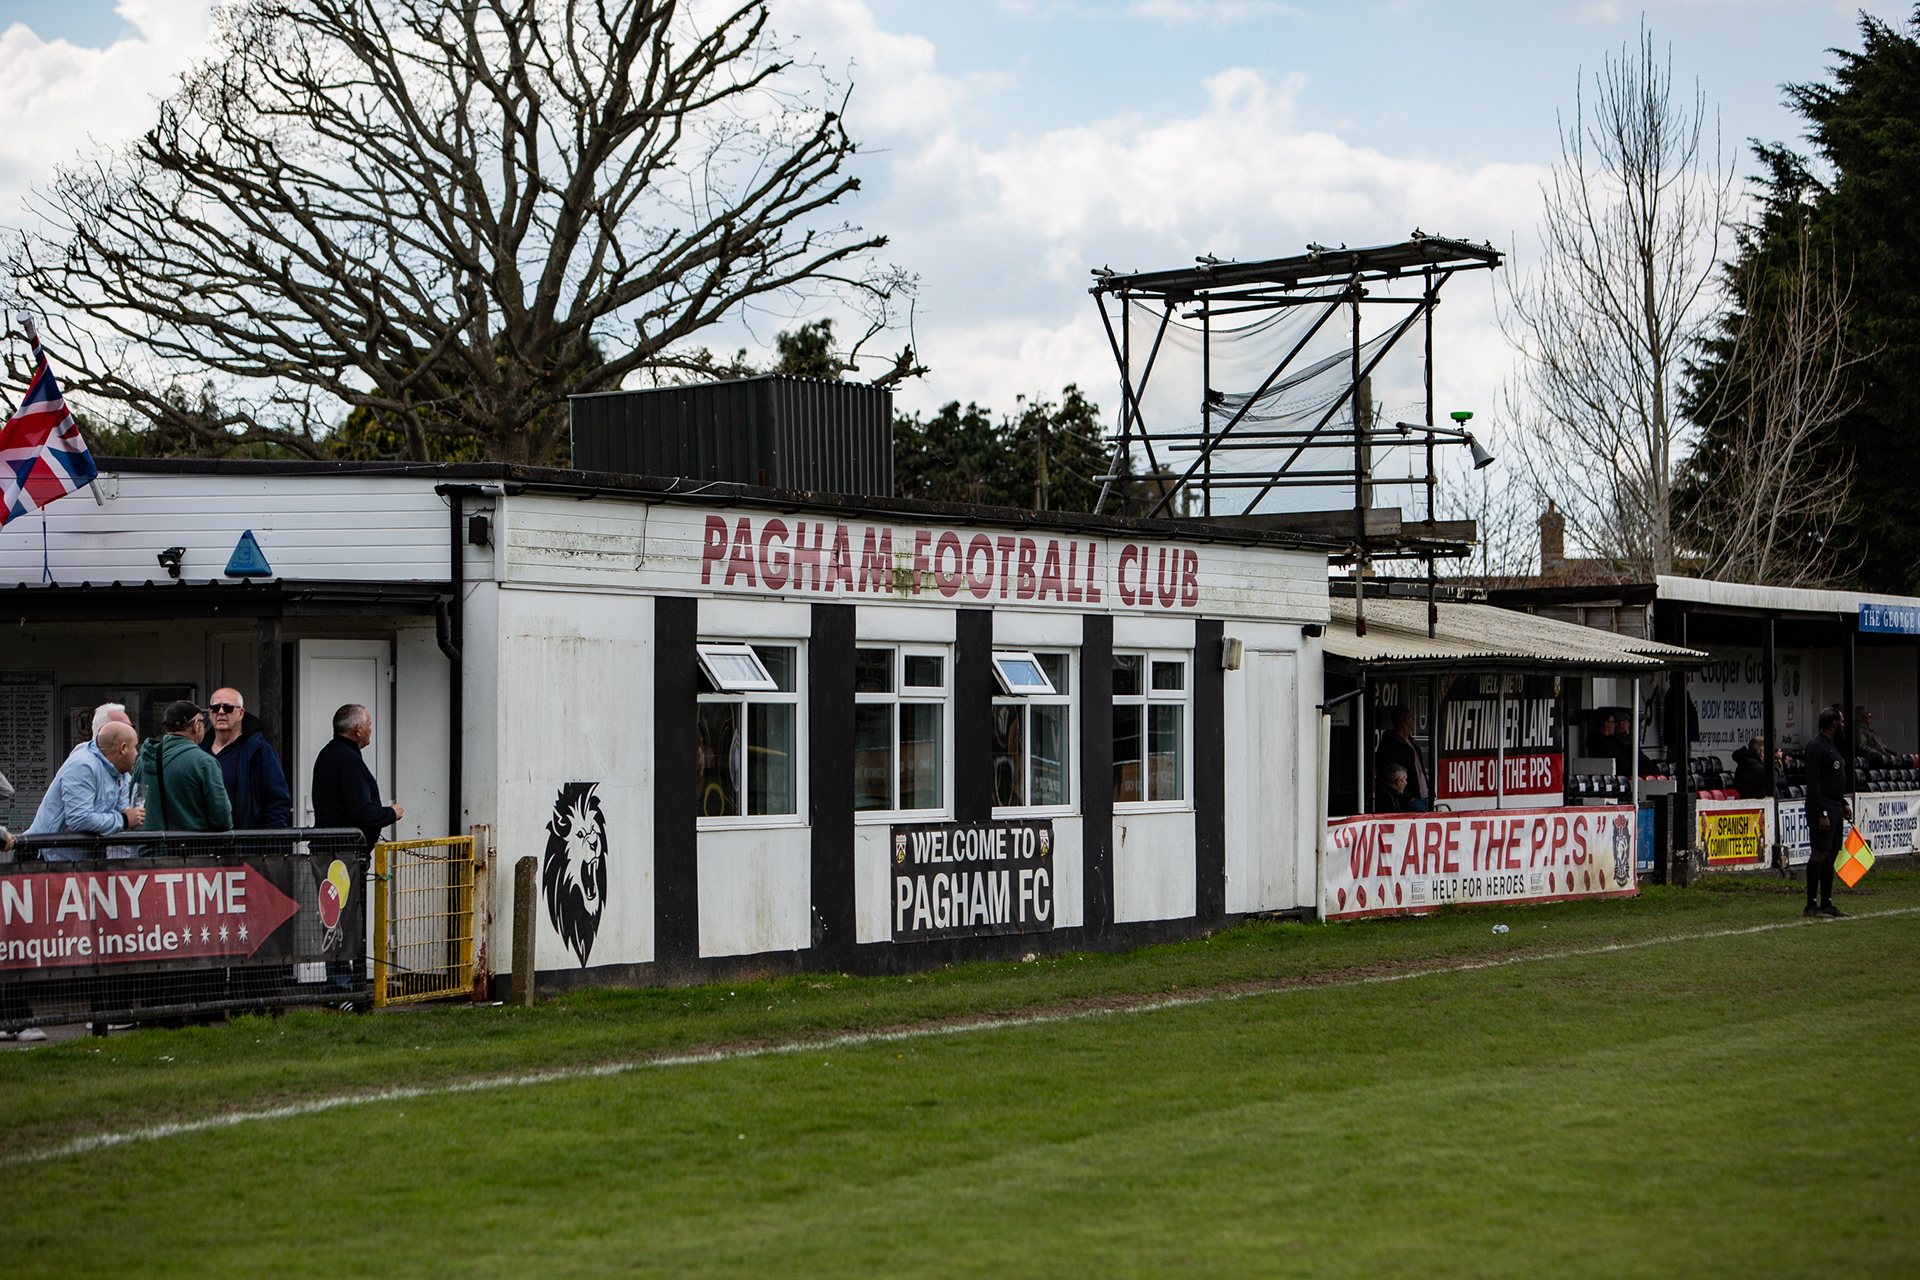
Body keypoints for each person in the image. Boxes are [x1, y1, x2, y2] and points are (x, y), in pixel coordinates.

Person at [22, 722, 145, 858]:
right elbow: (79, 819)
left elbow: (120, 811)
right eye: (134, 747)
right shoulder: (83, 766)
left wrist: (113, 820)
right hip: (44, 856)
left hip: (78, 861)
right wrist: (123, 820)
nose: (136, 753)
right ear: (123, 748)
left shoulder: (119, 770)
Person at [131, 701, 234, 833]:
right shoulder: (204, 762)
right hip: (190, 848)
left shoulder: (144, 759)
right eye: (204, 723)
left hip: (149, 847)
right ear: (196, 726)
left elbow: (133, 802)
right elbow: (221, 817)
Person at [312, 703, 403, 850]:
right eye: (369, 725)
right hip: (346, 853)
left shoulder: (327, 754)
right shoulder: (350, 761)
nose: (371, 730)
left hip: (327, 848)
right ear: (358, 731)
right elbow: (362, 811)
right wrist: (391, 813)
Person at [199, 688, 291, 829]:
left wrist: (271, 844)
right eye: (215, 708)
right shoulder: (200, 751)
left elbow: (277, 801)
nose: (221, 712)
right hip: (204, 845)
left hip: (245, 844)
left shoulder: (259, 751)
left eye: (228, 708)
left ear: (240, 713)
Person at [1803, 706, 1852, 919]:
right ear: (1834, 723)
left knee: (1831, 854)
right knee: (1819, 852)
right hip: (1821, 806)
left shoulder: (1833, 746)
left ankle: (1826, 904)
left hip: (1834, 805)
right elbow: (1814, 783)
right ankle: (1810, 906)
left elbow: (1831, 780)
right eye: (1840, 721)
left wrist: (1842, 802)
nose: (1842, 725)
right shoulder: (1816, 746)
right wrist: (1822, 811)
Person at [1374, 707, 1431, 813]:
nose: (1414, 720)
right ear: (1406, 720)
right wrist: (1408, 797)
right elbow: (1391, 772)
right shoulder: (1392, 744)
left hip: (1424, 797)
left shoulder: (1410, 742)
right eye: (1411, 718)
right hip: (1412, 801)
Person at [1732, 734, 1772, 800]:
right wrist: (1776, 762)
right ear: (1762, 752)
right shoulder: (1750, 764)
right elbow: (1771, 778)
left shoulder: (1750, 762)